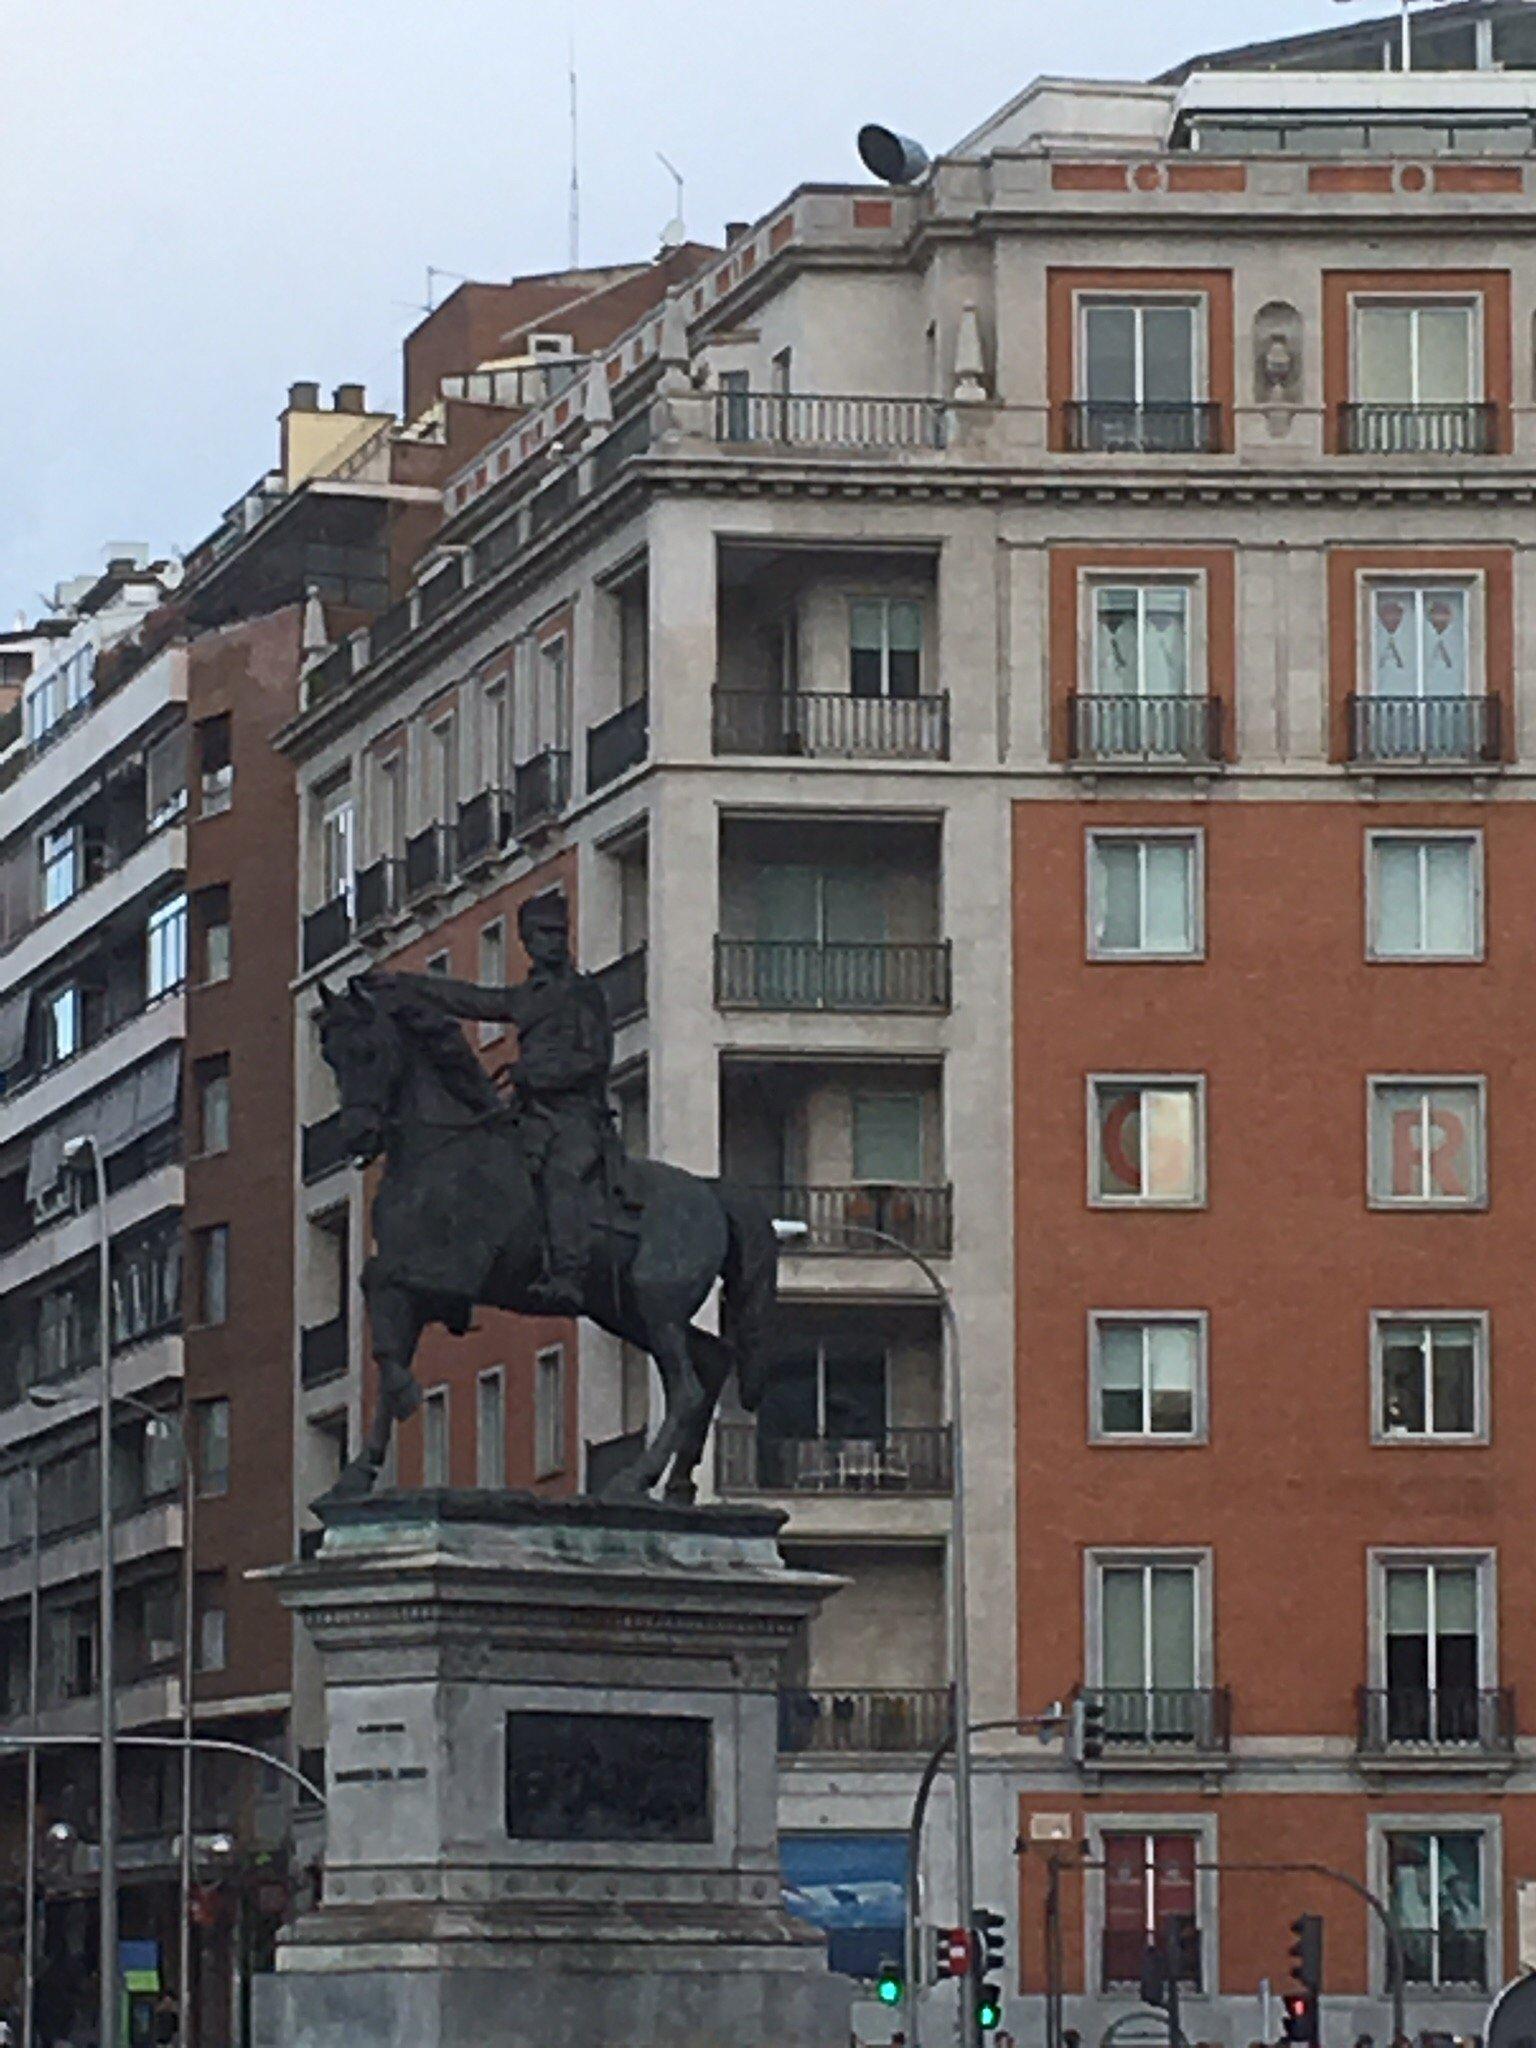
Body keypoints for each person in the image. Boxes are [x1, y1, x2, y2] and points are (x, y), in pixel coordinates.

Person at [381, 891, 613, 1314]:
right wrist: (407, 985)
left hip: (577, 1119)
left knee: (562, 1175)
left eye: (559, 933)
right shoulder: (525, 997)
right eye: (544, 934)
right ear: (525, 940)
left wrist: (534, 1075)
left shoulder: (582, 993)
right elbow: (471, 1000)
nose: (554, 941)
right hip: (530, 1117)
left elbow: (594, 1059)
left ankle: (568, 1274)